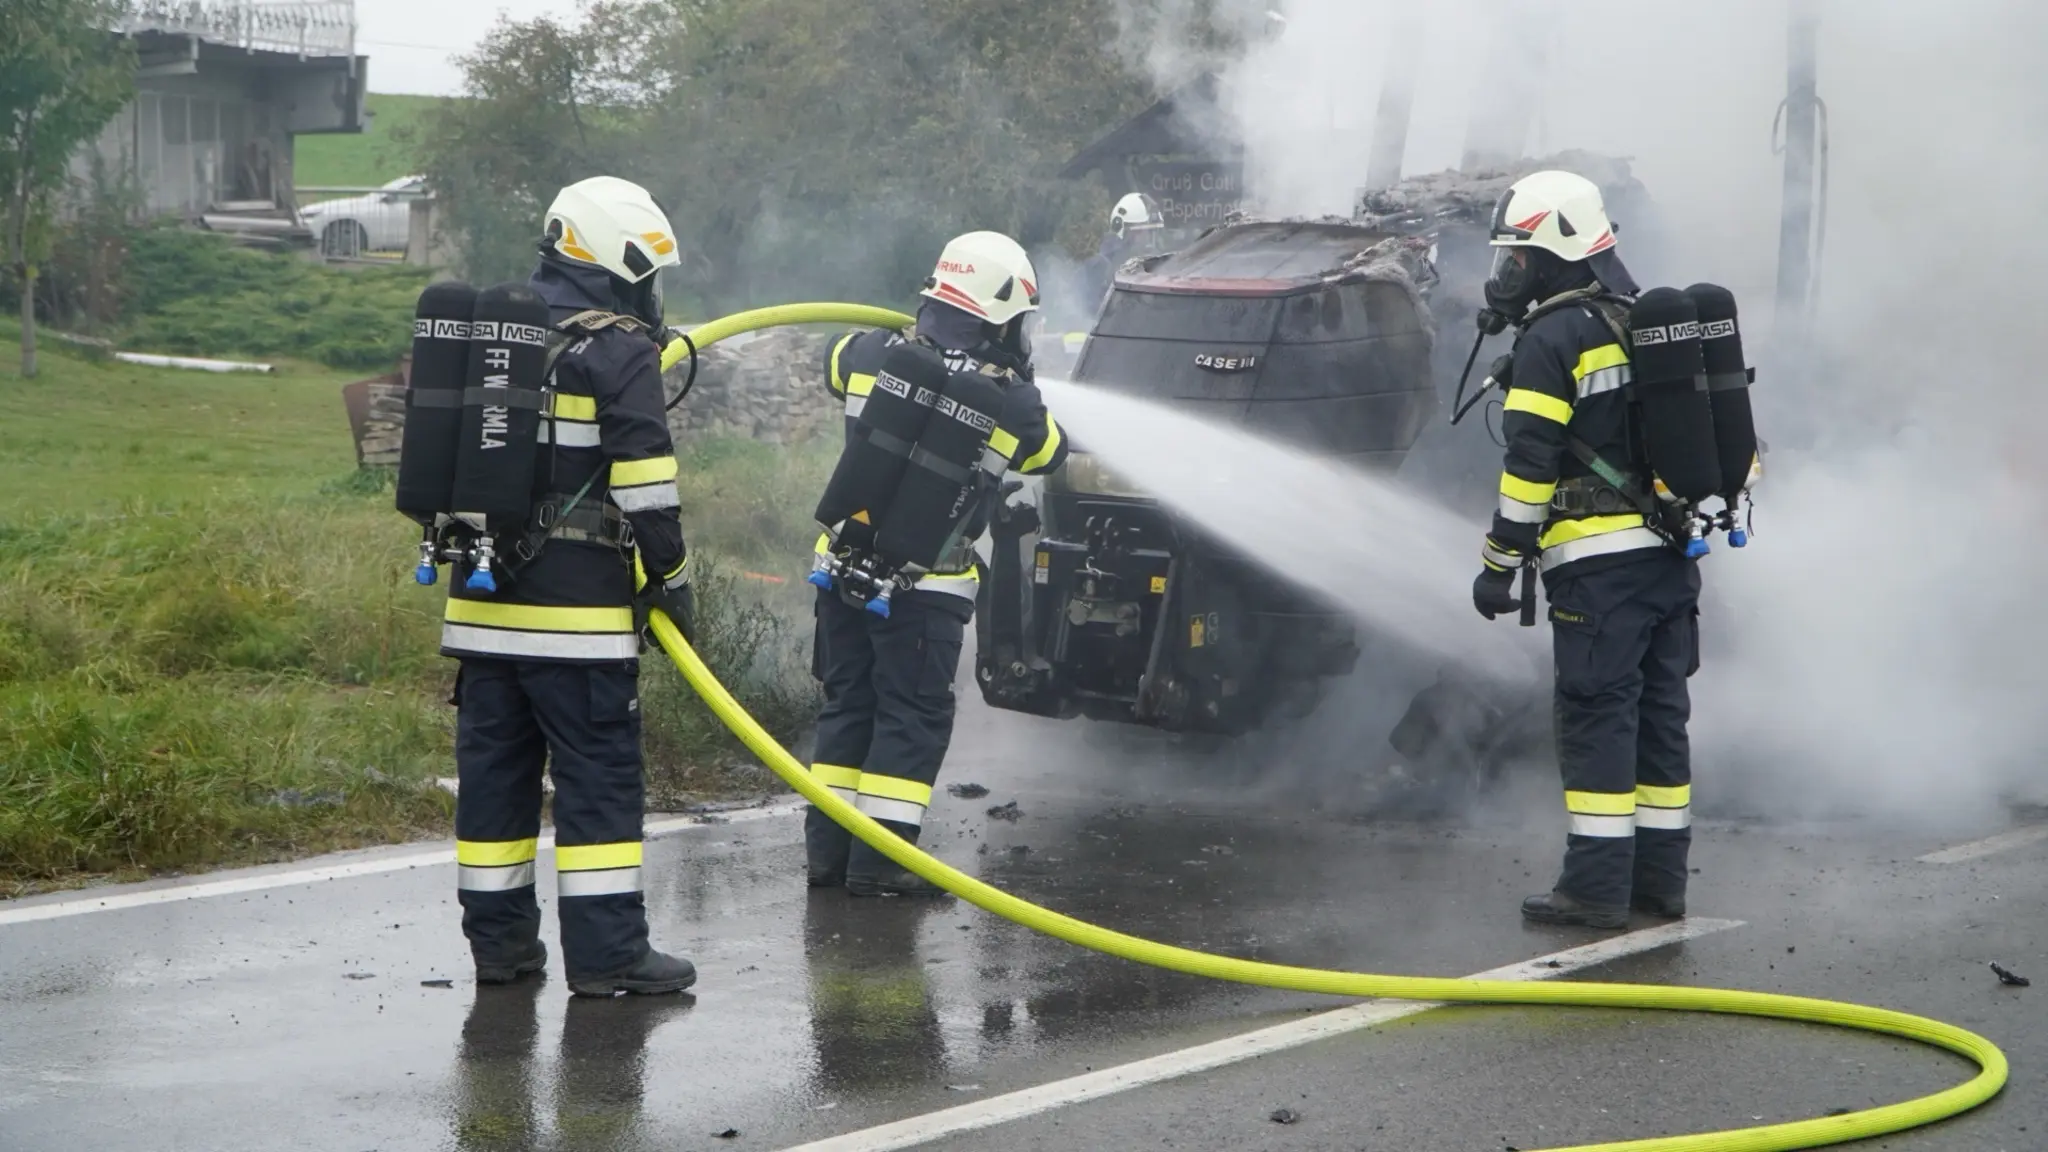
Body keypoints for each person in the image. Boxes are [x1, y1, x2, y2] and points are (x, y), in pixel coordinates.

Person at [442, 175, 701, 993]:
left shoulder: (492, 332)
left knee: (494, 793)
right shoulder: (619, 350)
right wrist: (675, 580)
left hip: (481, 616)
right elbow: (649, 492)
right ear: (617, 264)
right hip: (579, 628)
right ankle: (611, 958)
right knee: (597, 791)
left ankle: (502, 953)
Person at [805, 230, 1071, 896]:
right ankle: (884, 866)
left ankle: (829, 859)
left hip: (838, 570)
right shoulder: (1011, 398)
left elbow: (831, 362)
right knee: (910, 718)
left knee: (847, 708)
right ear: (1003, 315)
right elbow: (1048, 455)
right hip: (926, 587)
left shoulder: (871, 352)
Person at [1469, 169, 1699, 930]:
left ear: (1554, 252)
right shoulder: (1639, 320)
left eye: (1518, 257)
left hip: (1598, 572)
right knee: (1661, 718)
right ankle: (1659, 884)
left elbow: (1529, 467)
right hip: (1668, 560)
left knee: (1599, 717)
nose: (1509, 275)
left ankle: (1595, 888)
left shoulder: (1553, 338)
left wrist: (1499, 566)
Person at [1077, 192, 1167, 310]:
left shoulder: (1154, 265)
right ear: (1122, 231)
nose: (1147, 239)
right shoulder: (1099, 269)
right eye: (1141, 231)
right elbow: (1091, 314)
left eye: (1152, 232)